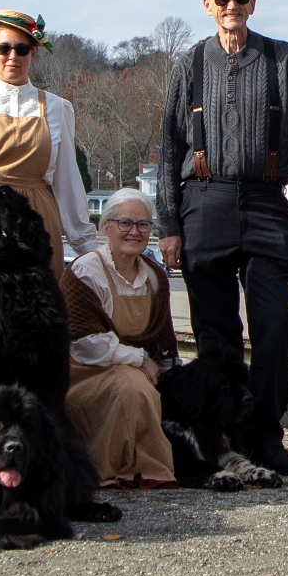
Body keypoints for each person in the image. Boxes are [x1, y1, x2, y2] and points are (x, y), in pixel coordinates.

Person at [156, 0, 288, 479]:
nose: (232, 6)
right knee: (215, 333)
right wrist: (168, 224)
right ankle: (220, 441)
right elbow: (169, 147)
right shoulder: (188, 64)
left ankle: (266, 437)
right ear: (207, 5)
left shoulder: (282, 58)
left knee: (275, 323)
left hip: (267, 201)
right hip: (203, 203)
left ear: (254, 2)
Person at [60, 193, 180, 487]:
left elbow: (163, 337)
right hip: (85, 374)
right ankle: (112, 468)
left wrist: (171, 374)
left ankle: (143, 466)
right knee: (132, 386)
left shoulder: (154, 276)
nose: (134, 232)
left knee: (145, 385)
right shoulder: (86, 272)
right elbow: (84, 344)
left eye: (142, 225)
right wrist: (140, 360)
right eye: (125, 223)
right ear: (107, 227)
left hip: (135, 370)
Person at [0, 9, 98, 265]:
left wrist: (87, 248)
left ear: (33, 53)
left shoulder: (56, 108)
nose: (12, 57)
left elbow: (67, 180)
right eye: (3, 48)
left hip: (37, 222)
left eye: (21, 49)